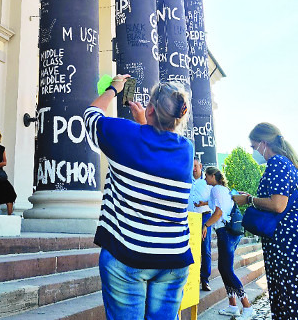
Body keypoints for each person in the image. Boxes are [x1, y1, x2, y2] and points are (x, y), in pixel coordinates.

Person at [84, 76, 194, 320]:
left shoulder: (124, 135)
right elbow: (153, 146)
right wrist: (146, 122)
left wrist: (114, 88)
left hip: (128, 255)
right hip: (173, 259)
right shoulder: (186, 150)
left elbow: (91, 115)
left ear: (151, 108)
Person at [232, 123, 298, 320]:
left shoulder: (277, 162)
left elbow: (278, 204)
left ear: (263, 143)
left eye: (253, 147)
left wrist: (249, 200)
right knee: (286, 293)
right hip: (284, 242)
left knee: (285, 295)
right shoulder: (286, 163)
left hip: (282, 244)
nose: (253, 151)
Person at [203, 167, 254, 317]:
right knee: (224, 268)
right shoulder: (224, 190)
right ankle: (232, 305)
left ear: (213, 176)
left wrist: (206, 225)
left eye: (206, 176)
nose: (205, 178)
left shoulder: (216, 189)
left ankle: (247, 307)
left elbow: (218, 213)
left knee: (227, 270)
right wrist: (202, 204)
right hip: (231, 232)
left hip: (225, 232)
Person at [188, 157, 212, 291]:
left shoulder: (207, 181)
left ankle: (205, 279)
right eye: (192, 166)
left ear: (201, 166)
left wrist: (204, 203)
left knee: (205, 249)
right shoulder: (186, 179)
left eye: (196, 166)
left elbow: (214, 200)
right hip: (189, 217)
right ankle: (190, 278)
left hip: (204, 217)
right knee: (190, 247)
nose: (194, 169)